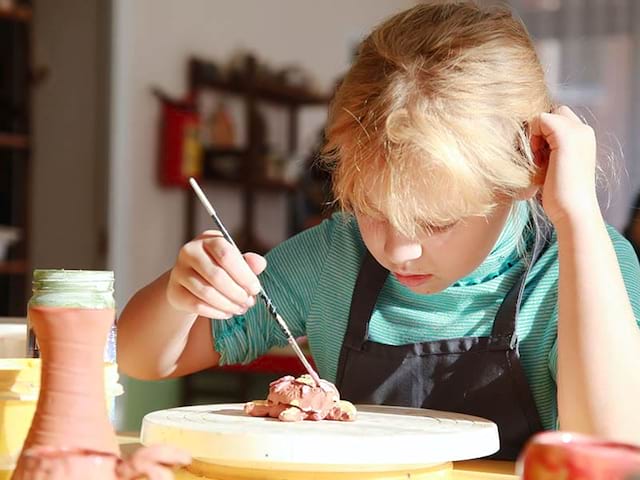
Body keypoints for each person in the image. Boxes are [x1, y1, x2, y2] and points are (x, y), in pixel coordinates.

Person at [117, 2, 640, 459]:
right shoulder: (334, 257)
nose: (398, 249)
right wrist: (180, 296)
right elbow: (141, 358)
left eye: (436, 221)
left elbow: (613, 445)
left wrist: (578, 219)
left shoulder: (587, 263)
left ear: (526, 173)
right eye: (371, 207)